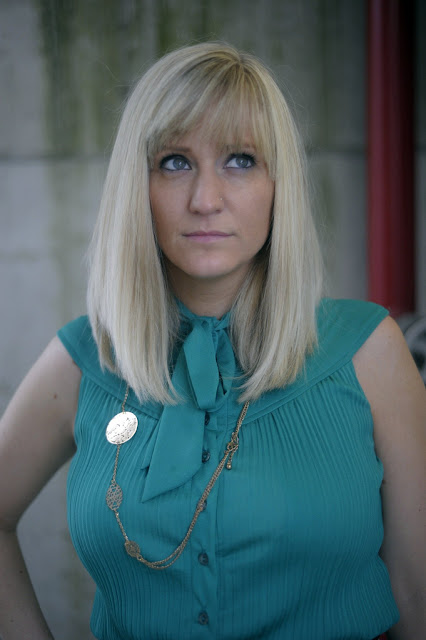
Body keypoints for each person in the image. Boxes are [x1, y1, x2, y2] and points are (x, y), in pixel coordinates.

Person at [0, 42, 424, 640]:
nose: (205, 200)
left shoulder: (370, 351)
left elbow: (416, 590)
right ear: (136, 186)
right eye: (175, 162)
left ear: (279, 183)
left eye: (240, 160)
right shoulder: (83, 360)